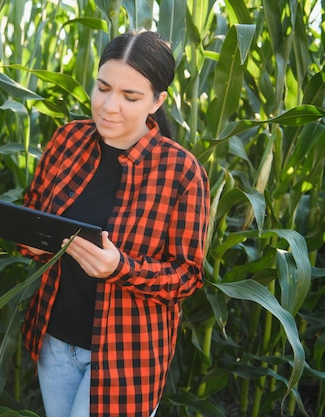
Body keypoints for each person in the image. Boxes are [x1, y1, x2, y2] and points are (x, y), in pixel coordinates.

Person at [19, 30, 210, 417]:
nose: (108, 106)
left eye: (130, 96)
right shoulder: (66, 141)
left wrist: (120, 268)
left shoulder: (182, 172)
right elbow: (33, 211)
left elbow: (187, 276)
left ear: (158, 101)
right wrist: (32, 242)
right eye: (103, 87)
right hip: (54, 342)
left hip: (127, 357)